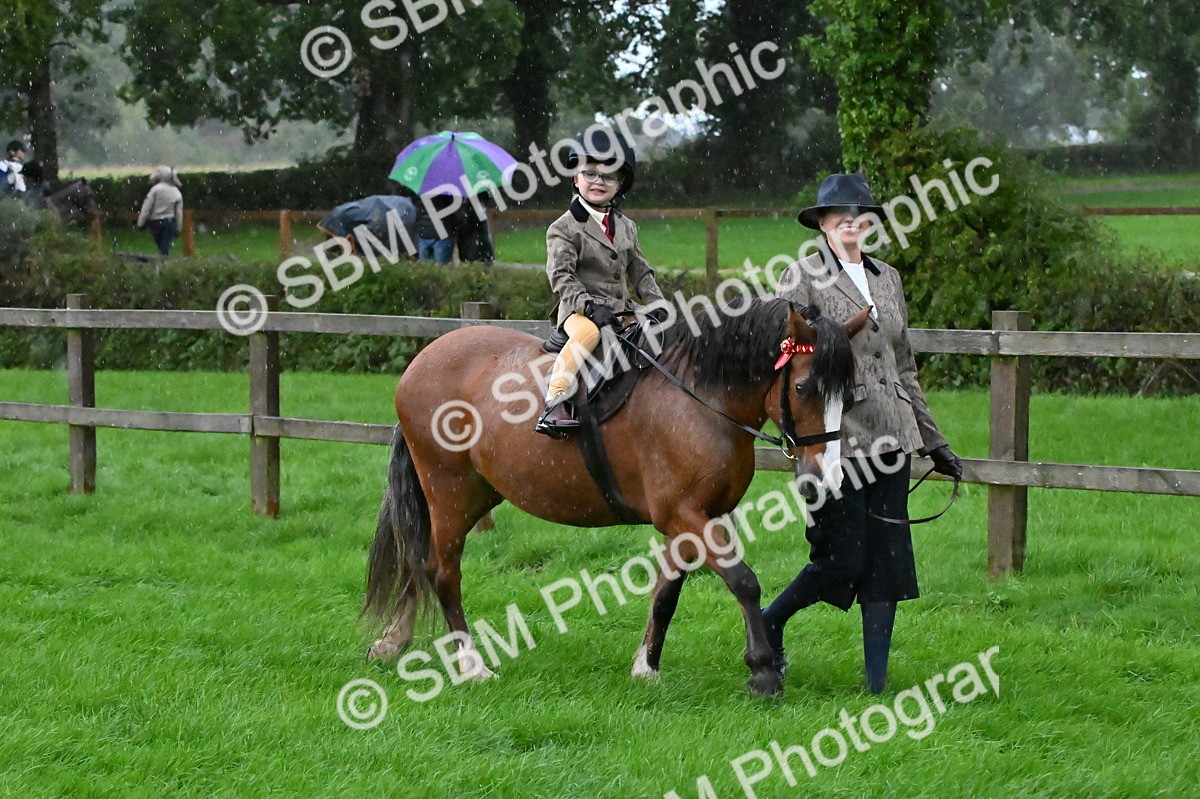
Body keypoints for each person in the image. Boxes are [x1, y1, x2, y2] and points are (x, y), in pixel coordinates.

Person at [766, 173, 963, 693]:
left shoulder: (888, 277)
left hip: (892, 437)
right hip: (834, 439)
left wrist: (933, 439)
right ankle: (769, 622)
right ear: (823, 223)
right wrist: (840, 331)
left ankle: (876, 685)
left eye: (859, 213)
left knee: (888, 567)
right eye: (838, 214)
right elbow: (790, 357)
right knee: (839, 560)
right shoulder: (801, 277)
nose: (849, 221)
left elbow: (904, 364)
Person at [534, 129, 668, 436]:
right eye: (590, 174)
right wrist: (590, 308)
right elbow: (561, 277)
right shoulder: (564, 228)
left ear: (620, 185)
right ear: (575, 179)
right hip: (580, 312)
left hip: (620, 309)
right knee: (588, 335)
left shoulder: (626, 227)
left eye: (608, 177)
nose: (599, 182)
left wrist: (658, 304)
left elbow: (641, 272)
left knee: (659, 337)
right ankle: (555, 402)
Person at [137, 166, 184, 257]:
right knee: (165, 246)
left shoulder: (155, 190)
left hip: (155, 223)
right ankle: (163, 264)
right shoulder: (177, 192)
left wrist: (141, 222)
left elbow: (147, 207)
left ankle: (161, 264)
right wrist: (178, 228)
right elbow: (179, 213)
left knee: (161, 246)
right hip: (170, 223)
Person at [413, 194, 462, 263]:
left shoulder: (423, 189)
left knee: (424, 269)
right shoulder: (451, 192)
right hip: (443, 233)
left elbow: (417, 209)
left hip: (424, 233)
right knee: (441, 269)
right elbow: (459, 213)